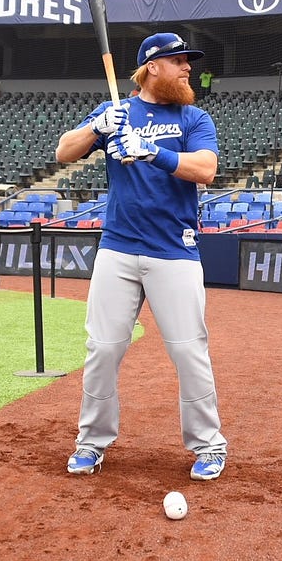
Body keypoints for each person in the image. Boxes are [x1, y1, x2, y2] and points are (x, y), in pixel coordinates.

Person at [54, 32, 227, 481]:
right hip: (118, 249)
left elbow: (206, 169)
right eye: (179, 61)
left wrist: (152, 152)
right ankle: (90, 443)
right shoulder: (117, 112)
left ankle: (209, 445)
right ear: (153, 67)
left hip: (174, 251)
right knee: (103, 350)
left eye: (188, 61)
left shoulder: (194, 118)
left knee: (190, 353)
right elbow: (63, 152)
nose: (188, 67)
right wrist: (97, 127)